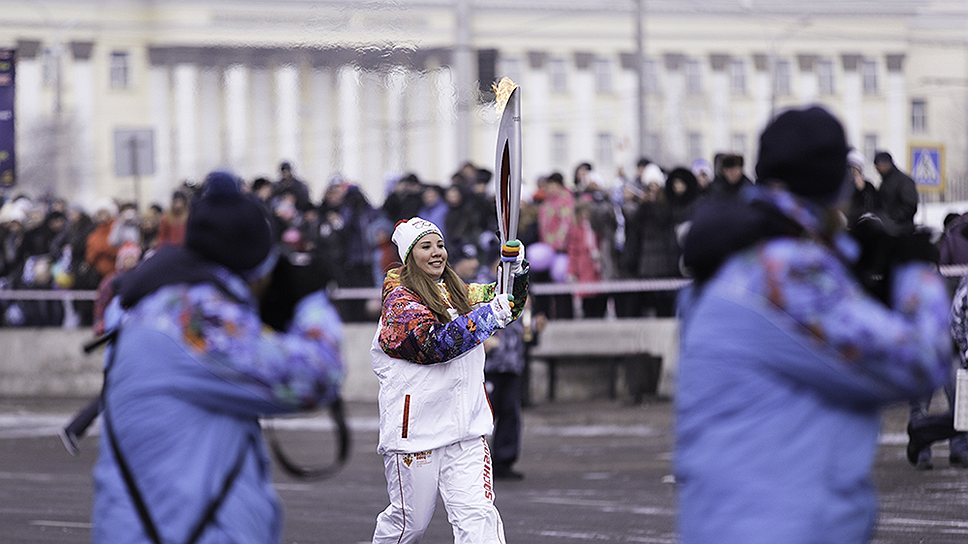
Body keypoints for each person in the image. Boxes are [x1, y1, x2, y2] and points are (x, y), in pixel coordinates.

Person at [676, 106, 951, 543]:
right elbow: (920, 364)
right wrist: (915, 274)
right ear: (838, 183)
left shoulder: (736, 261)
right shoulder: (785, 274)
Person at [91, 170, 344, 543]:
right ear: (251, 269)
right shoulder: (195, 325)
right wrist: (309, 300)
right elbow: (318, 376)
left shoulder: (160, 308)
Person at [370, 217, 528, 544]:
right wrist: (490, 316)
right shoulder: (400, 302)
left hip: (465, 430)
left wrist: (516, 269)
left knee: (478, 518)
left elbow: (506, 302)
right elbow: (433, 345)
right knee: (408, 525)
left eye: (439, 245)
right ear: (409, 255)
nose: (436, 252)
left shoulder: (457, 292)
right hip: (418, 434)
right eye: (426, 246)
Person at [873, 150, 918, 235]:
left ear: (886, 164)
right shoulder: (885, 182)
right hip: (888, 230)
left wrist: (891, 219)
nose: (877, 170)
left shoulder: (904, 181)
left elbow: (909, 206)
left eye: (878, 166)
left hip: (901, 231)